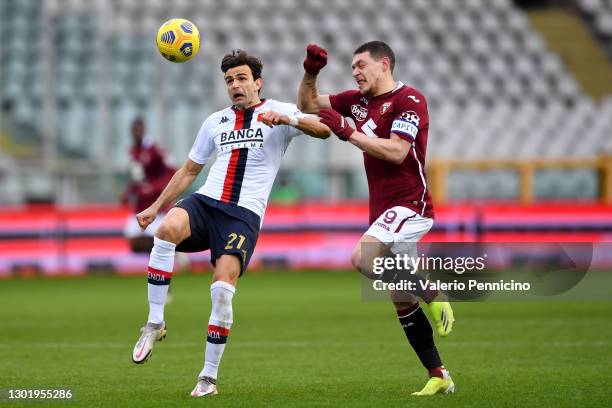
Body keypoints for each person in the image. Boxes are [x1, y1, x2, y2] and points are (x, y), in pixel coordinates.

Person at [130, 50, 330, 397]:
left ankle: (207, 379)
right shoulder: (215, 121)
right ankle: (155, 321)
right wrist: (155, 206)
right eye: (228, 80)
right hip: (206, 202)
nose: (235, 86)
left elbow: (324, 129)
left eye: (241, 79)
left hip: (242, 216)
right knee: (164, 231)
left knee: (222, 292)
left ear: (257, 83)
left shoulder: (278, 111)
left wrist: (287, 121)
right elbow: (189, 170)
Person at [298, 41, 456, 396]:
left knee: (363, 257)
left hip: (410, 203)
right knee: (401, 297)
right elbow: (307, 104)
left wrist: (348, 131)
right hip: (383, 209)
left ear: (384, 64)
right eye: (352, 67)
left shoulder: (409, 100)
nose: (355, 72)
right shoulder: (355, 101)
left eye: (360, 65)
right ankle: (439, 374)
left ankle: (432, 290)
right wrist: (310, 71)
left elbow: (399, 152)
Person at [122, 118, 176, 253]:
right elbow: (137, 180)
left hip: (156, 205)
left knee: (158, 239)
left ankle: (176, 254)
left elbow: (172, 170)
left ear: (144, 130)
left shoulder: (154, 149)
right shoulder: (133, 151)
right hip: (140, 206)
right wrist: (128, 193)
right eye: (134, 130)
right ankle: (153, 264)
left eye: (138, 130)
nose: (136, 133)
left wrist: (154, 187)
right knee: (134, 241)